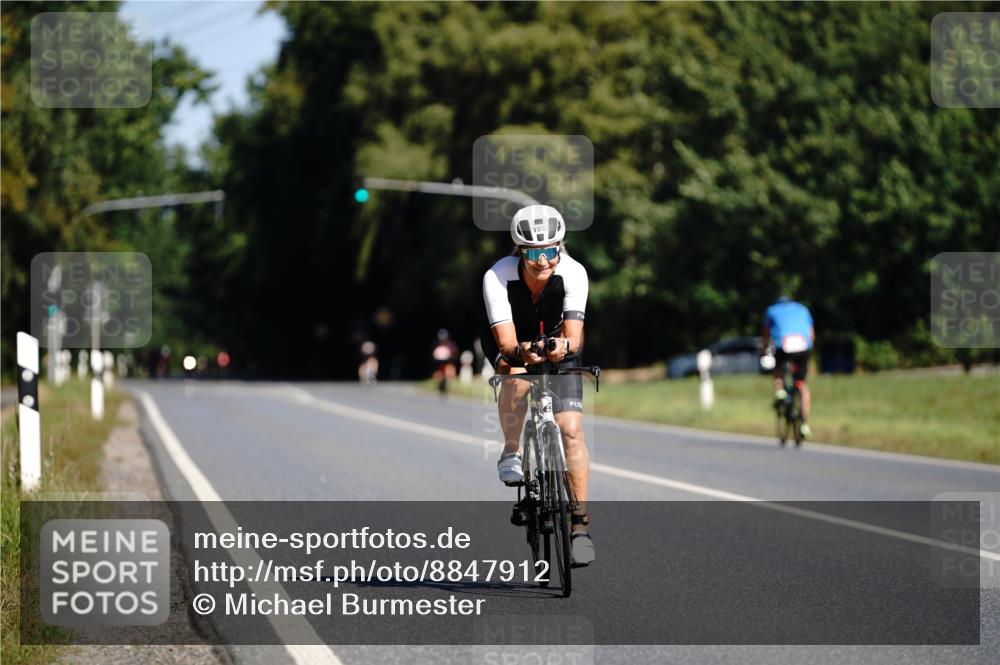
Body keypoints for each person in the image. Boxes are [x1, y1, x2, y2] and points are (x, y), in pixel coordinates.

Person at [482, 204, 594, 566]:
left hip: (558, 347)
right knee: (514, 377)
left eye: (551, 251)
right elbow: (505, 342)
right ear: (520, 250)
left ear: (560, 247)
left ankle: (579, 525)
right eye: (534, 253)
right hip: (515, 344)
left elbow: (575, 337)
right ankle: (512, 450)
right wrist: (521, 353)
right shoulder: (497, 276)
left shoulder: (574, 273)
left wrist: (562, 346)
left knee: (571, 430)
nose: (544, 260)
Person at [762, 296, 815, 438]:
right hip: (803, 346)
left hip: (782, 345)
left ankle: (780, 391)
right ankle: (804, 424)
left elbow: (766, 334)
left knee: (778, 368)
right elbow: (811, 334)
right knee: (802, 384)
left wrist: (765, 348)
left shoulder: (771, 310)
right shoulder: (802, 309)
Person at [431, 329, 458, 395]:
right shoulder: (436, 344)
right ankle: (439, 385)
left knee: (450, 370)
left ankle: (450, 385)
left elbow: (455, 353)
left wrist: (451, 356)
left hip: (448, 362)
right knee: (438, 373)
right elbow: (433, 354)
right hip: (439, 363)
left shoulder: (451, 344)